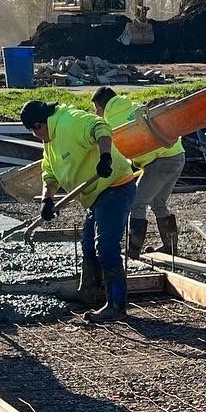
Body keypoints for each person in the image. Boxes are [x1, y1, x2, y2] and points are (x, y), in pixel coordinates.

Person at [20, 97, 136, 323]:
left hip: (115, 186)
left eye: (33, 131)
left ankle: (116, 305)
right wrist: (47, 200)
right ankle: (88, 292)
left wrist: (105, 157)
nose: (35, 135)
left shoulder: (69, 121)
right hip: (96, 195)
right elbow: (50, 175)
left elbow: (101, 127)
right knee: (88, 245)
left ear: (38, 125)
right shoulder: (50, 141)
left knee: (106, 247)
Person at [91, 85, 186, 258]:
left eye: (97, 110)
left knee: (137, 203)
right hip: (177, 156)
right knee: (158, 203)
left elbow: (115, 152)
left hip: (160, 162)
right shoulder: (134, 106)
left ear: (101, 107)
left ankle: (133, 251)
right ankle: (170, 247)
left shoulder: (110, 123)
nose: (97, 114)